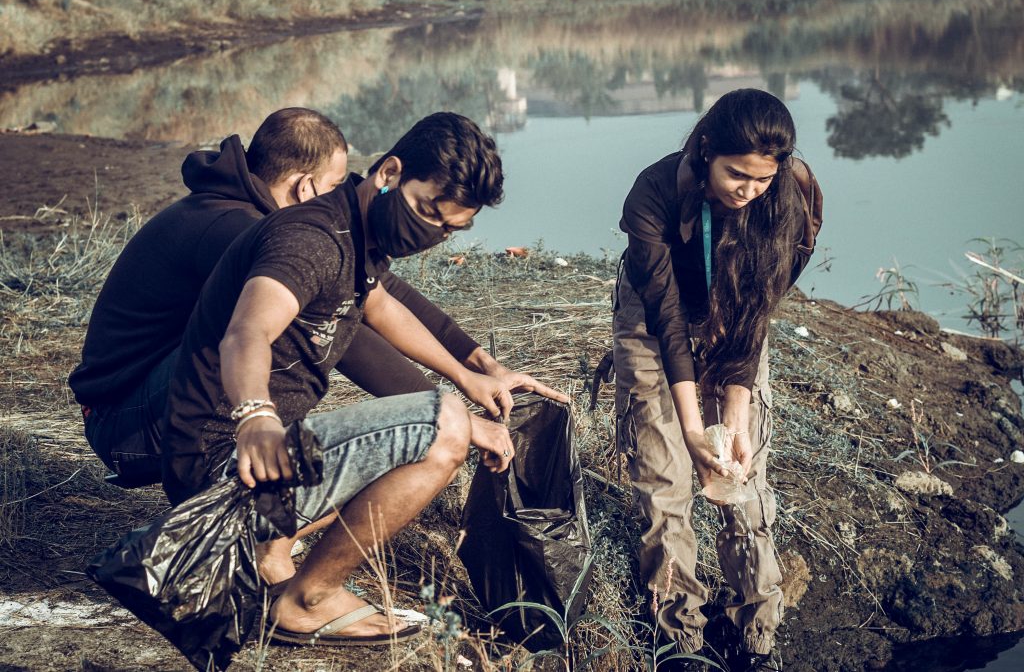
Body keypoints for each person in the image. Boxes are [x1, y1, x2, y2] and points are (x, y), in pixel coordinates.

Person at [159, 112, 538, 645]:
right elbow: (246, 333)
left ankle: (267, 550)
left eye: (452, 228)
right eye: (428, 212)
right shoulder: (311, 239)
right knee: (446, 425)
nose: (434, 234)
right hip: (228, 465)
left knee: (450, 408)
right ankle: (304, 600)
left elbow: (382, 307)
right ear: (389, 172)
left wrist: (465, 372)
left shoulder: (356, 235)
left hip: (264, 470)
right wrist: (256, 418)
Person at [70, 107, 561, 495]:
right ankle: (224, 477)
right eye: (331, 187)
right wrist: (445, 413)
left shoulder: (277, 228)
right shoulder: (240, 229)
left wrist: (475, 363)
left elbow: (381, 294)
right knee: (309, 319)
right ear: (305, 186)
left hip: (156, 396)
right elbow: (349, 329)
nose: (337, 199)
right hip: (123, 421)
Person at [612, 89, 823, 672]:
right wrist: (690, 428)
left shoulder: (791, 196)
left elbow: (758, 311)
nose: (747, 190)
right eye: (736, 174)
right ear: (707, 148)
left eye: (761, 179)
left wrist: (734, 413)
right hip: (653, 322)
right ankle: (678, 634)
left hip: (737, 322)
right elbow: (667, 319)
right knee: (664, 476)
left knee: (742, 476)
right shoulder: (653, 193)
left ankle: (755, 630)